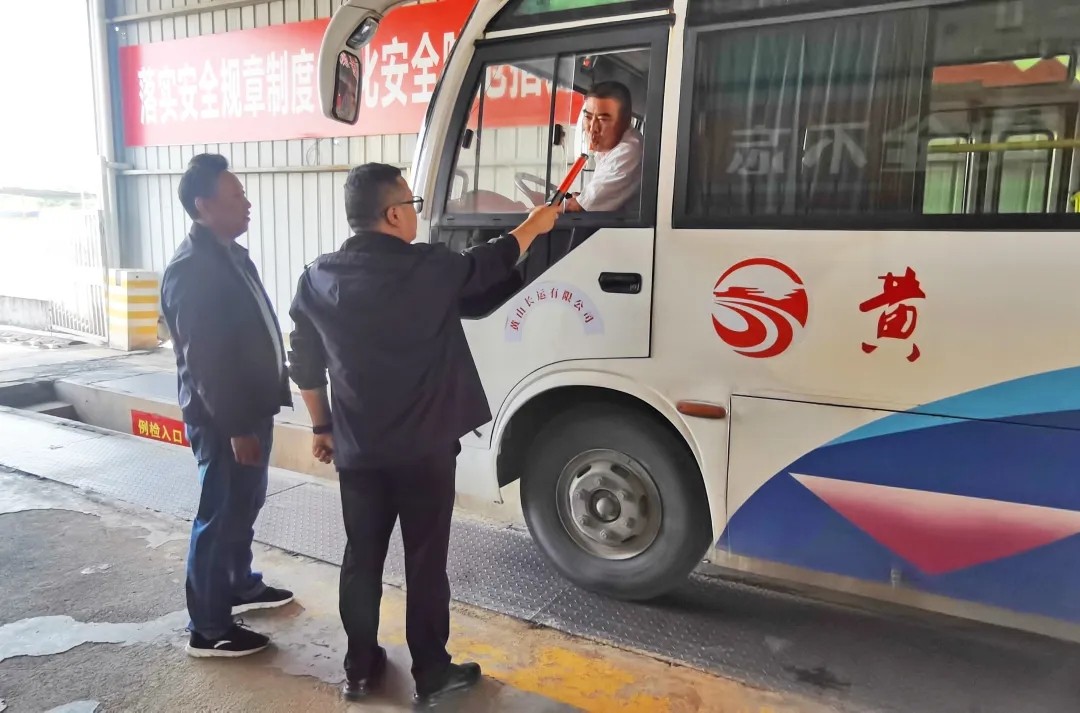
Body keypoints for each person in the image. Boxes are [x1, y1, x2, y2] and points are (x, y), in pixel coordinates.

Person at [287, 163, 559, 707]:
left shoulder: (317, 277)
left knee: (361, 559)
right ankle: (432, 673)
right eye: (411, 204)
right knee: (425, 561)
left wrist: (322, 426)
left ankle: (360, 669)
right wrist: (535, 223)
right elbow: (493, 260)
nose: (416, 213)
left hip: (358, 450)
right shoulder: (429, 268)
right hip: (425, 451)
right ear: (392, 215)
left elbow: (304, 362)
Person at [161, 153, 295, 659]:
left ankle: (238, 583)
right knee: (217, 515)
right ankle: (209, 627)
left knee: (245, 502)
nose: (247, 202)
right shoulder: (192, 270)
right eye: (236, 195)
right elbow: (207, 362)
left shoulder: (231, 256)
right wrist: (237, 427)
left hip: (250, 410)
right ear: (204, 205)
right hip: (223, 420)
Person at [564, 80, 643, 213]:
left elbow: (580, 207)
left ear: (625, 120)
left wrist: (535, 212)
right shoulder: (609, 149)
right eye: (588, 117)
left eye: (603, 119)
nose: (592, 128)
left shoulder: (628, 150)